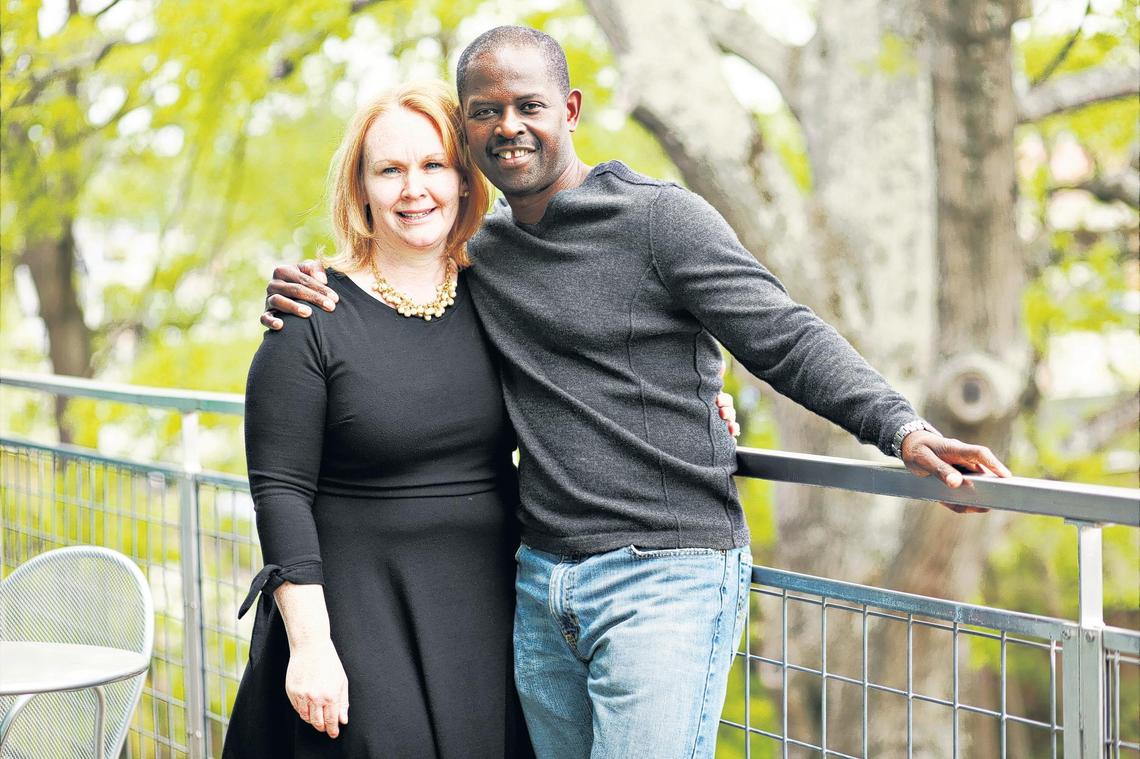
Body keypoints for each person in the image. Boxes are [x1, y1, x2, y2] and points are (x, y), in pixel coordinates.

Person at [261, 26, 1011, 759]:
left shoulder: (660, 219)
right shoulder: (479, 258)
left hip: (664, 574)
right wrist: (304, 281)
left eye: (528, 105)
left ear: (571, 110)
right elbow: (397, 335)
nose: (508, 126)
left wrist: (903, 430)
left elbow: (784, 334)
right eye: (485, 112)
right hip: (539, 582)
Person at [223, 80, 534, 758]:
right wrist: (309, 645)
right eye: (389, 169)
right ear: (361, 189)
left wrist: (698, 401)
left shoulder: (504, 299)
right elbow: (279, 490)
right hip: (355, 618)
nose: (413, 188)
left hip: (489, 615)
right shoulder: (308, 318)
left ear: (462, 180)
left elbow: (591, 379)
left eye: (432, 165)